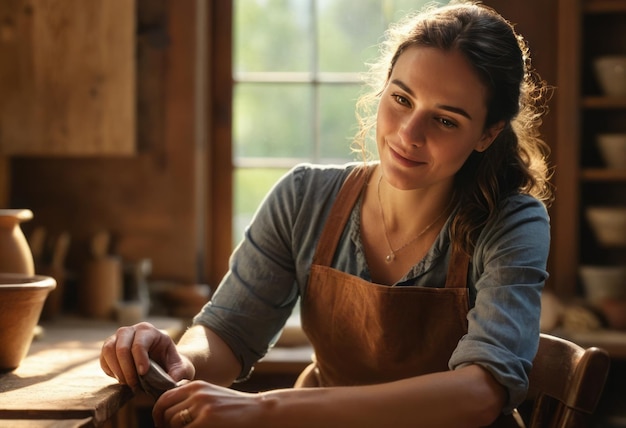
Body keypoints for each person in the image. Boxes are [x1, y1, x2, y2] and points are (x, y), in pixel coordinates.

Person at [100, 1, 554, 426]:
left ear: (487, 134)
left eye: (446, 120)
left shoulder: (512, 223)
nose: (408, 134)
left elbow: (482, 392)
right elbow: (229, 332)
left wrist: (266, 410)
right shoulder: (303, 199)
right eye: (401, 99)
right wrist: (182, 359)